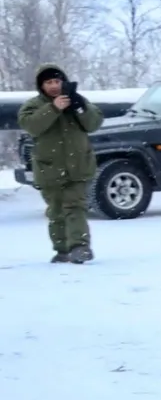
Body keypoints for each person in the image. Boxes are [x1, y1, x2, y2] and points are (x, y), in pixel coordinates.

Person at [18, 65, 102, 264]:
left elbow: (94, 123)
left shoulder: (77, 100)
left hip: (79, 165)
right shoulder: (33, 105)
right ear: (41, 86)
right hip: (49, 168)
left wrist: (80, 107)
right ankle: (62, 249)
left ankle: (79, 247)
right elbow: (31, 126)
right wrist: (53, 108)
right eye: (49, 82)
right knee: (56, 212)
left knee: (75, 207)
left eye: (57, 81)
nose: (54, 86)